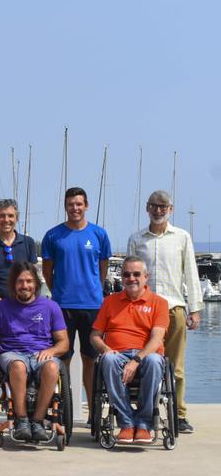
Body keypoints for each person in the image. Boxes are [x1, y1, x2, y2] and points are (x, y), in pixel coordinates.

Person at [127, 189, 203, 433]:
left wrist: (195, 309)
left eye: (163, 206)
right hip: (143, 310)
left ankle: (178, 414)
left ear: (170, 209)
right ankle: (142, 412)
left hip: (173, 308)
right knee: (142, 361)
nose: (158, 210)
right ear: (147, 208)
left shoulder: (182, 237)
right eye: (153, 206)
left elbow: (191, 273)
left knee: (175, 366)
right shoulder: (137, 239)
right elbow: (129, 275)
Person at [0, 262, 69, 442]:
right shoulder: (1, 307)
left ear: (36, 283)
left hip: (41, 353)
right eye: (20, 281)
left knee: (52, 367)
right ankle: (21, 420)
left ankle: (37, 420)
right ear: (13, 284)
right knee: (18, 366)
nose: (25, 286)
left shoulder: (50, 307)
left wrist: (51, 350)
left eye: (29, 281)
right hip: (12, 353)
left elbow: (64, 342)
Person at [41, 186, 110, 414]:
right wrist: (60, 293)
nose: (75, 208)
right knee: (63, 359)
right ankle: (64, 410)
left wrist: (94, 290)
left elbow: (103, 269)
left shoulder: (99, 234)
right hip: (62, 307)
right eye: (71, 204)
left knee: (90, 359)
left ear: (86, 205)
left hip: (92, 306)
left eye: (79, 204)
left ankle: (92, 411)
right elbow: (47, 272)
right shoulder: (52, 236)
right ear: (65, 206)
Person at [90, 256, 169, 444]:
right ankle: (126, 423)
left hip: (146, 355)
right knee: (107, 360)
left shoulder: (159, 303)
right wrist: (106, 348)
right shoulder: (110, 301)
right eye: (126, 274)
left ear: (145, 277)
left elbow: (157, 339)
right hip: (118, 354)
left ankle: (143, 424)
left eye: (136, 274)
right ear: (122, 278)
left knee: (155, 361)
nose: (131, 278)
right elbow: (94, 336)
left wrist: (136, 360)